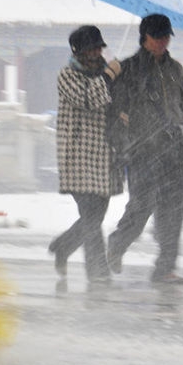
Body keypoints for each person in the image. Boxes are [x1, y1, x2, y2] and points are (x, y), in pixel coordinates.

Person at [106, 14, 183, 285]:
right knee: (140, 208)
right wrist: (118, 146)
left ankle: (165, 268)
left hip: (172, 150)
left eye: (166, 36)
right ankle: (116, 245)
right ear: (145, 38)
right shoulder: (127, 68)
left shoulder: (175, 69)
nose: (163, 41)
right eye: (158, 36)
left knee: (173, 211)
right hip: (141, 151)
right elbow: (114, 109)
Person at [48, 25, 123, 285]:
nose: (95, 53)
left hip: (104, 157)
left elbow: (117, 104)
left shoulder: (107, 74)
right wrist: (109, 77)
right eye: (90, 49)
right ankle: (98, 271)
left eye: (98, 48)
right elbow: (89, 98)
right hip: (78, 156)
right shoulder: (67, 76)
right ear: (78, 52)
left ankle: (63, 246)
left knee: (95, 217)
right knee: (92, 218)